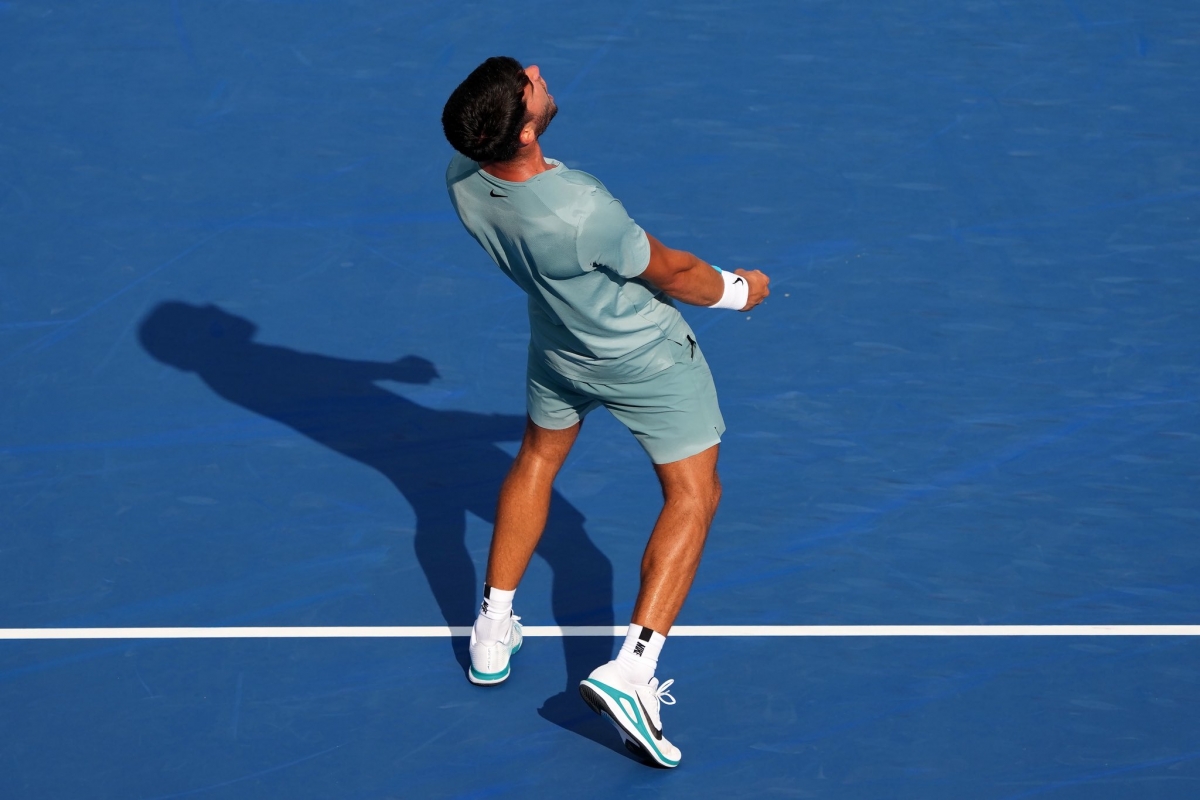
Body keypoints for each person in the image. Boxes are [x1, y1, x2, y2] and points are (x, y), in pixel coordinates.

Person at [441, 56, 769, 768]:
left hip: (559, 347)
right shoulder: (580, 210)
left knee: (537, 458)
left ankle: (492, 632)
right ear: (525, 132)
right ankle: (633, 671)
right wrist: (740, 290)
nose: (537, 71)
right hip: (648, 360)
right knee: (694, 495)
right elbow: (675, 272)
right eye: (529, 83)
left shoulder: (463, 178)